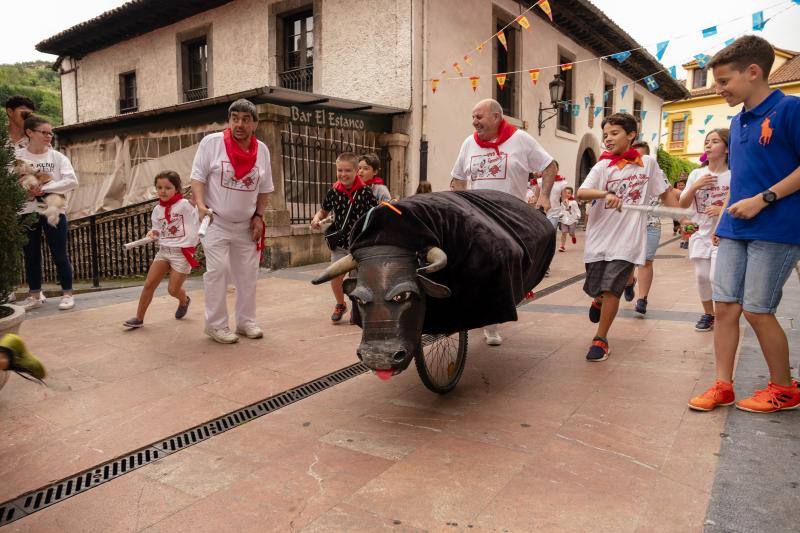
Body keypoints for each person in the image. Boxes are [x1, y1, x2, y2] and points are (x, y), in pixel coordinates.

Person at [688, 36, 800, 413]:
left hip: (777, 228)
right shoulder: (736, 124)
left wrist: (764, 199)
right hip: (735, 228)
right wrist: (723, 217)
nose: (718, 88)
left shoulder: (790, 109)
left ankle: (783, 389)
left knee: (757, 309)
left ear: (753, 72)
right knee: (724, 308)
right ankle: (723, 385)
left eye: (723, 81)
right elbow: (740, 178)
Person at [450, 98, 557, 346]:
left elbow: (549, 166)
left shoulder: (520, 139)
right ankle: (481, 313)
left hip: (510, 216)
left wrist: (544, 196)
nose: (474, 122)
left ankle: (491, 321)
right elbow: (457, 178)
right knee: (472, 265)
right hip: (476, 216)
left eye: (480, 117)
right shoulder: (469, 143)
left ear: (497, 117)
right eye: (473, 117)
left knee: (499, 267)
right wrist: (457, 204)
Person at [577, 113, 676, 361]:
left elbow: (665, 194)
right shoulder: (602, 166)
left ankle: (601, 339)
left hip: (628, 239)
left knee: (612, 288)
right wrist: (604, 195)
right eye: (605, 135)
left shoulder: (648, 164)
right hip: (600, 238)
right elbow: (581, 193)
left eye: (614, 133)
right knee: (596, 286)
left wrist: (682, 219)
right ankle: (597, 299)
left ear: (631, 135)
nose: (608, 139)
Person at [190, 99, 273, 344]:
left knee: (248, 274)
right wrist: (201, 205)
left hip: (246, 225)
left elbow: (265, 188)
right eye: (235, 118)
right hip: (216, 221)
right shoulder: (212, 143)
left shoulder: (263, 151)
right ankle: (215, 325)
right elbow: (198, 177)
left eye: (246, 119)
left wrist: (259, 216)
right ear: (229, 121)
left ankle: (246, 322)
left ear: (255, 124)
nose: (240, 124)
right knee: (218, 271)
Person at [15, 116, 78, 312]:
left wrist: (46, 187)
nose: (49, 136)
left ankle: (67, 294)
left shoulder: (58, 157)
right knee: (31, 255)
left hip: (54, 210)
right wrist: (26, 191)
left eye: (50, 132)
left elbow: (72, 181)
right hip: (26, 212)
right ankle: (35, 295)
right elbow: (10, 184)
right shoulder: (17, 156)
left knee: (60, 254)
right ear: (30, 133)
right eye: (44, 132)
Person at [123, 171, 199, 328]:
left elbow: (199, 215)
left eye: (168, 187)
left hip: (182, 254)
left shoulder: (185, 205)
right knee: (149, 284)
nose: (163, 191)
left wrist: (198, 203)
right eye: (159, 187)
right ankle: (139, 318)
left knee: (172, 290)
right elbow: (158, 230)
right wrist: (153, 233)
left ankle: (184, 300)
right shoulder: (157, 210)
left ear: (177, 189)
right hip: (164, 251)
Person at [311, 152, 377, 322]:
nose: (343, 174)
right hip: (340, 244)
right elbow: (323, 211)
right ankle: (341, 304)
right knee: (335, 277)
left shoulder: (365, 193)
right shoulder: (333, 191)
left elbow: (375, 215)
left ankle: (359, 307)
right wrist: (317, 218)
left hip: (359, 244)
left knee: (358, 280)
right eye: (340, 170)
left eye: (347, 170)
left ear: (356, 171)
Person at [679, 129, 730, 333]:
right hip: (700, 233)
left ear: (727, 148)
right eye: (706, 141)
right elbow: (683, 204)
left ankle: (722, 316)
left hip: (723, 234)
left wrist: (721, 210)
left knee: (715, 277)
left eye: (715, 141)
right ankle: (709, 314)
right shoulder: (696, 174)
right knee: (702, 276)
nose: (708, 145)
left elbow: (738, 201)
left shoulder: (733, 174)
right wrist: (695, 186)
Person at [631, 141, 662, 317]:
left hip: (651, 224)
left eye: (641, 156)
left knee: (646, 261)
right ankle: (629, 282)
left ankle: (642, 299)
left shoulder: (657, 173)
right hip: (629, 225)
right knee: (628, 262)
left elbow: (669, 193)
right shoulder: (624, 173)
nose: (637, 160)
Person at [557, 186, 580, 252]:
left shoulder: (574, 202)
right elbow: (561, 210)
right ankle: (562, 246)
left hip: (572, 220)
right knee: (564, 232)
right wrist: (560, 215)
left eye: (569, 193)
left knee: (570, 233)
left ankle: (573, 236)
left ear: (571, 194)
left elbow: (577, 210)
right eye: (565, 193)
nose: (567, 194)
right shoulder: (562, 202)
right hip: (564, 220)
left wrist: (577, 216)